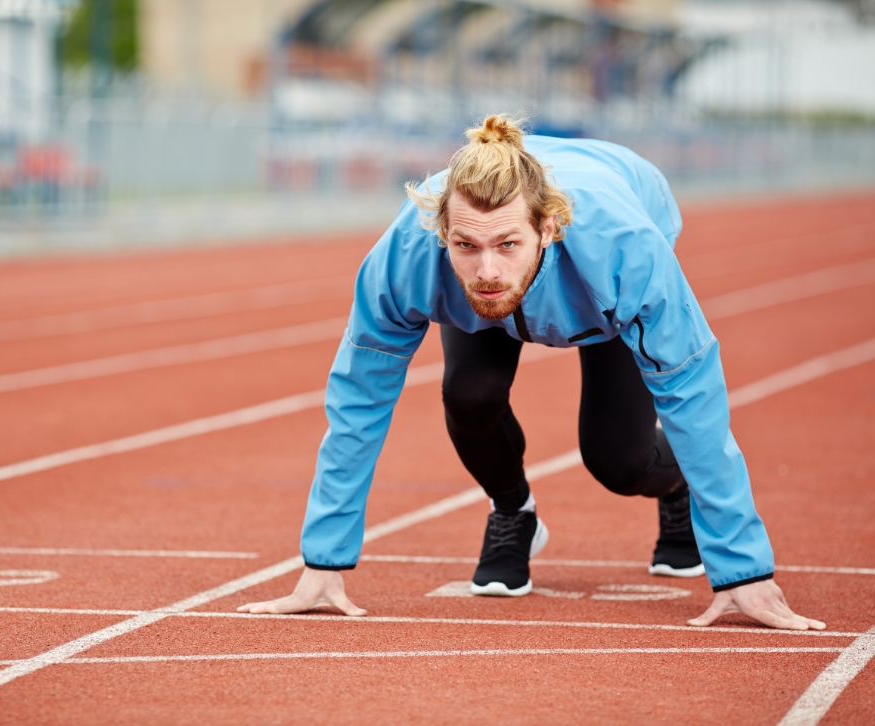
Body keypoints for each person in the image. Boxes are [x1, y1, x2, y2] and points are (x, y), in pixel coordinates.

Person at [239, 115, 824, 630]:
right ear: (443, 233)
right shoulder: (406, 258)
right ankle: (513, 512)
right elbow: (356, 402)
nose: (487, 269)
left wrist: (741, 570)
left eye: (507, 244)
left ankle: (672, 490)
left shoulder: (627, 254)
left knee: (616, 460)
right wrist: (323, 563)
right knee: (469, 395)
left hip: (604, 261)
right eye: (465, 245)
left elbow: (691, 391)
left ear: (548, 228)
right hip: (492, 292)